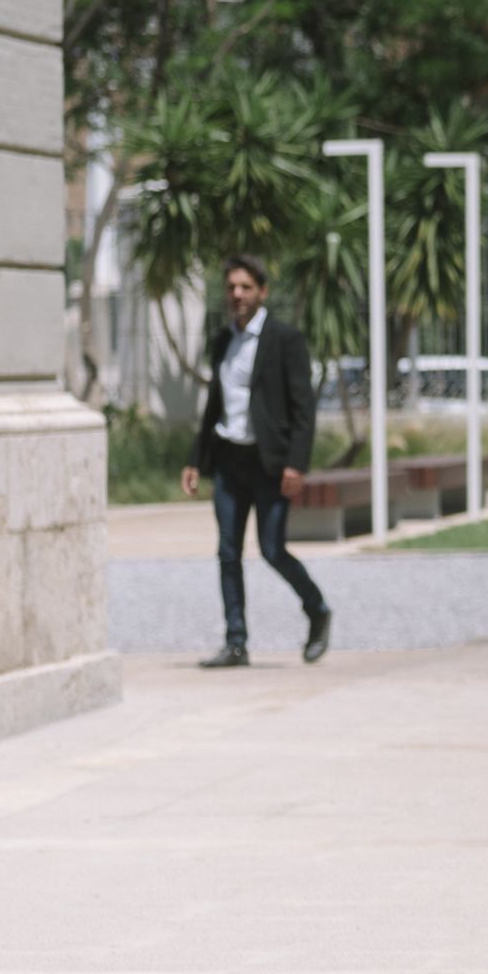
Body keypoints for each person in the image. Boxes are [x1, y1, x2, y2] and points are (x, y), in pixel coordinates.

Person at [182, 255, 333, 668]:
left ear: (262, 292)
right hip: (230, 462)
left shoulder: (285, 340)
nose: (237, 295)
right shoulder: (222, 342)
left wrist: (296, 464)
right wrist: (196, 459)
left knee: (272, 549)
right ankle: (236, 642)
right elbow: (215, 406)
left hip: (271, 464)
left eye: (245, 287)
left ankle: (317, 610)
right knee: (228, 552)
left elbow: (304, 409)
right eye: (231, 287)